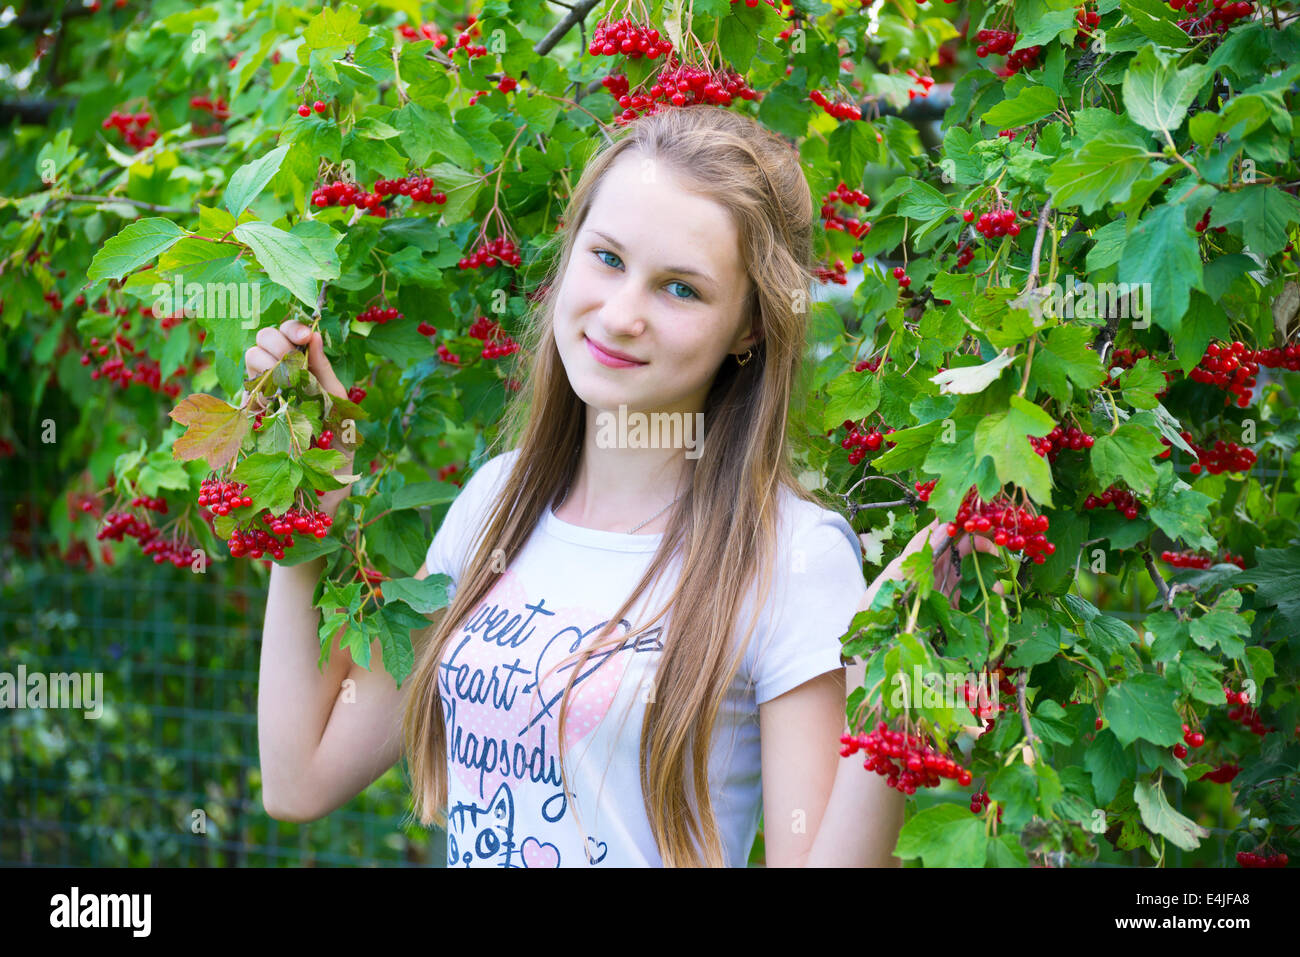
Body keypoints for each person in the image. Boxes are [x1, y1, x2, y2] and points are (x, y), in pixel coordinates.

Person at [248, 104, 985, 867]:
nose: (622, 313)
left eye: (680, 289)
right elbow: (298, 779)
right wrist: (306, 514)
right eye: (606, 258)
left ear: (749, 329)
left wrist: (904, 666)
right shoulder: (494, 505)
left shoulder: (792, 555)